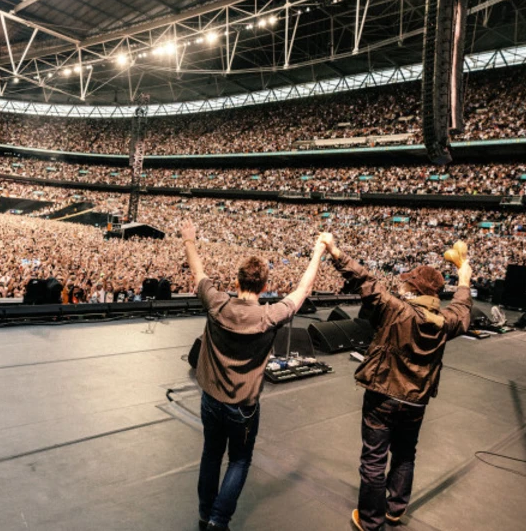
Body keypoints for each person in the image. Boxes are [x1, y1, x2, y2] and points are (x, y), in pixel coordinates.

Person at [181, 220, 329, 531]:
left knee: (211, 455)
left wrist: (190, 240)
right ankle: (218, 521)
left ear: (236, 281)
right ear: (264, 286)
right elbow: (303, 290)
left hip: (210, 399)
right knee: (239, 460)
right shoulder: (269, 316)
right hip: (243, 408)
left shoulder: (217, 303)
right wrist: (318, 251)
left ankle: (205, 514)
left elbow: (198, 272)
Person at [320, 234, 472, 530]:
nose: (400, 285)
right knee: (405, 454)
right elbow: (462, 308)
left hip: (384, 396)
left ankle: (370, 521)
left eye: (405, 283)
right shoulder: (445, 322)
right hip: (416, 401)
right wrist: (464, 278)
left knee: (374, 460)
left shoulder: (396, 310)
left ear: (414, 290)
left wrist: (336, 252)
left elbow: (364, 280)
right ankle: (395, 509)